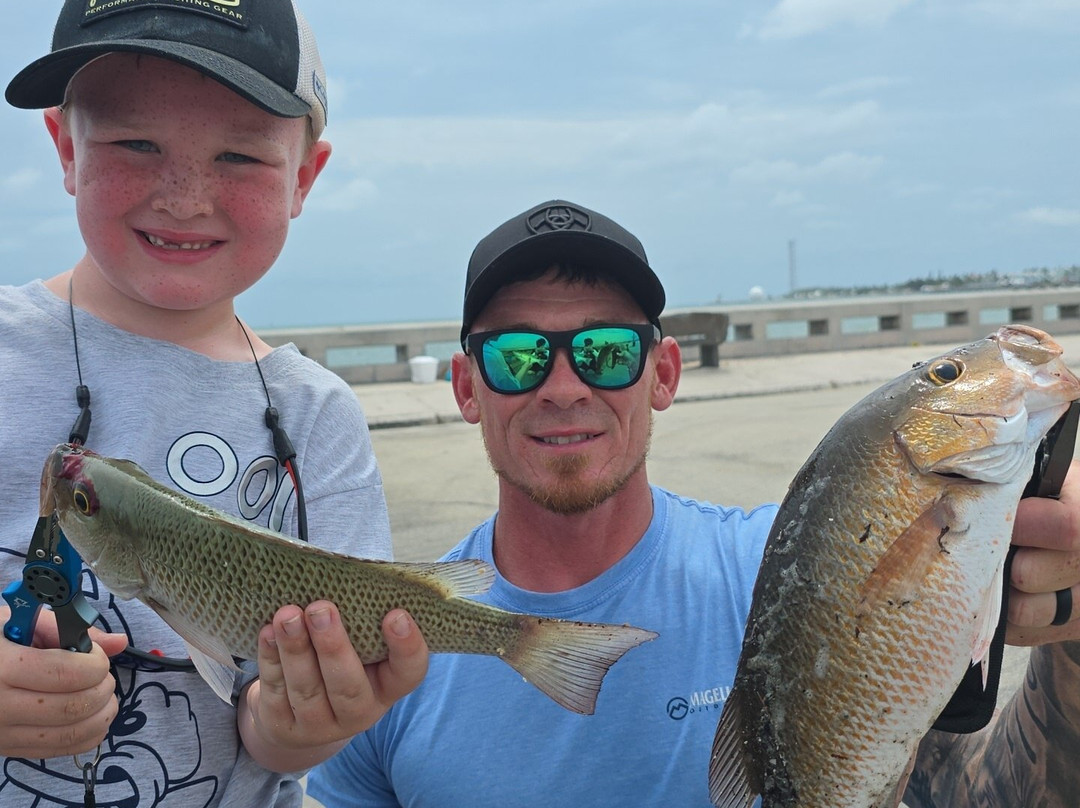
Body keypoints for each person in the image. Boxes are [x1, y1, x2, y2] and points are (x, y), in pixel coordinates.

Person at [308, 199, 1080, 806]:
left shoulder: (793, 575)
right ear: (467, 387)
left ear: (664, 374)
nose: (564, 386)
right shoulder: (387, 658)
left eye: (607, 352)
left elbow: (985, 791)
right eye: (518, 356)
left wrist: (1071, 634)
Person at [0, 2, 428, 806]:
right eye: (135, 144)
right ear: (66, 148)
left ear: (303, 178)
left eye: (239, 155)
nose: (186, 197)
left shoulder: (318, 416)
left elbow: (273, 732)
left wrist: (304, 723)